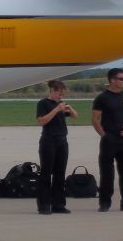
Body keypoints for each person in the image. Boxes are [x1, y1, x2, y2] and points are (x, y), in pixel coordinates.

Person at [92, 68, 123, 212]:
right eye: (121, 79)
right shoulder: (102, 98)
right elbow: (95, 119)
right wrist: (103, 135)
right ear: (112, 80)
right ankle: (105, 202)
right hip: (109, 141)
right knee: (107, 173)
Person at [35, 79, 78, 215]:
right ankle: (44, 204)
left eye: (63, 94)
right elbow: (41, 121)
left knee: (60, 174)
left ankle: (58, 204)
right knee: (46, 173)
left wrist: (69, 109)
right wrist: (56, 110)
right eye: (59, 94)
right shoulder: (43, 103)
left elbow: (76, 116)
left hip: (62, 141)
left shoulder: (59, 105)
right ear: (52, 91)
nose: (61, 97)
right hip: (48, 141)